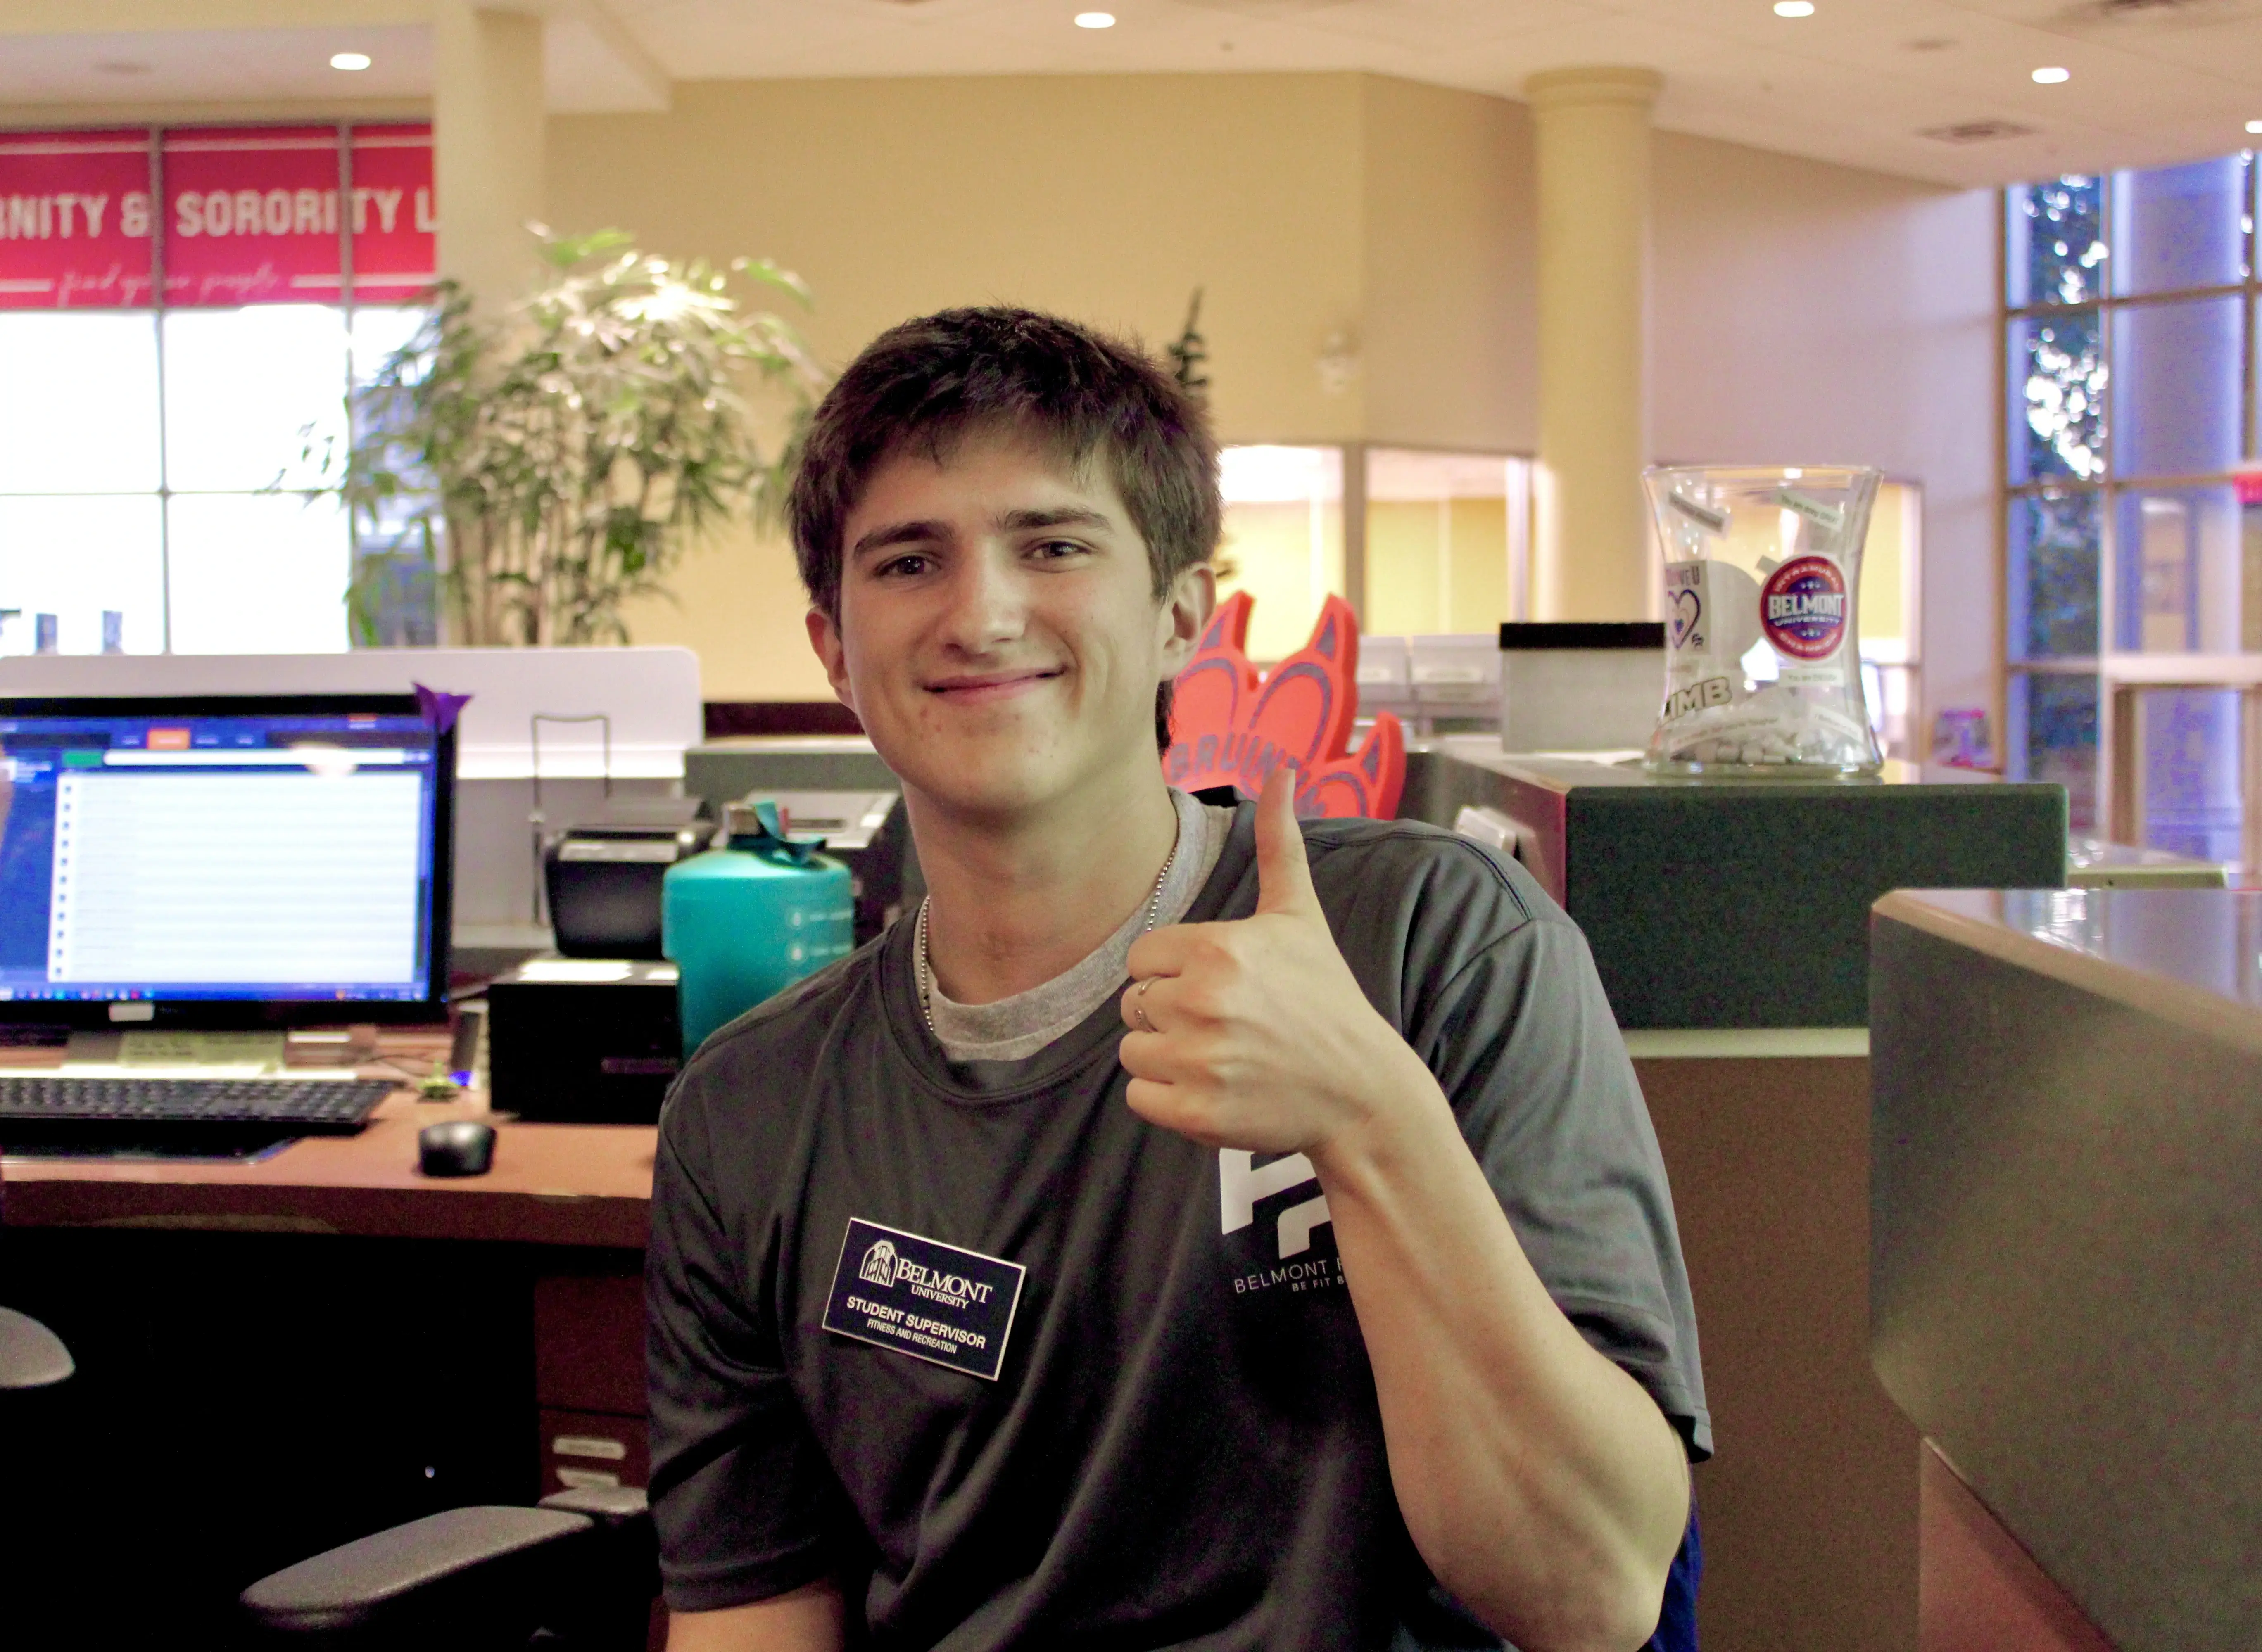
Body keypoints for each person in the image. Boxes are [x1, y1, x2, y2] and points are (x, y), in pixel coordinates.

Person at [646, 307, 1708, 1652]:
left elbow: (1587, 1596)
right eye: (910, 560)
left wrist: (1368, 1121)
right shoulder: (751, 1113)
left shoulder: (1428, 941)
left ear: (1178, 616)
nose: (981, 612)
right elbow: (756, 1619)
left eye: (1053, 545)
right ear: (832, 652)